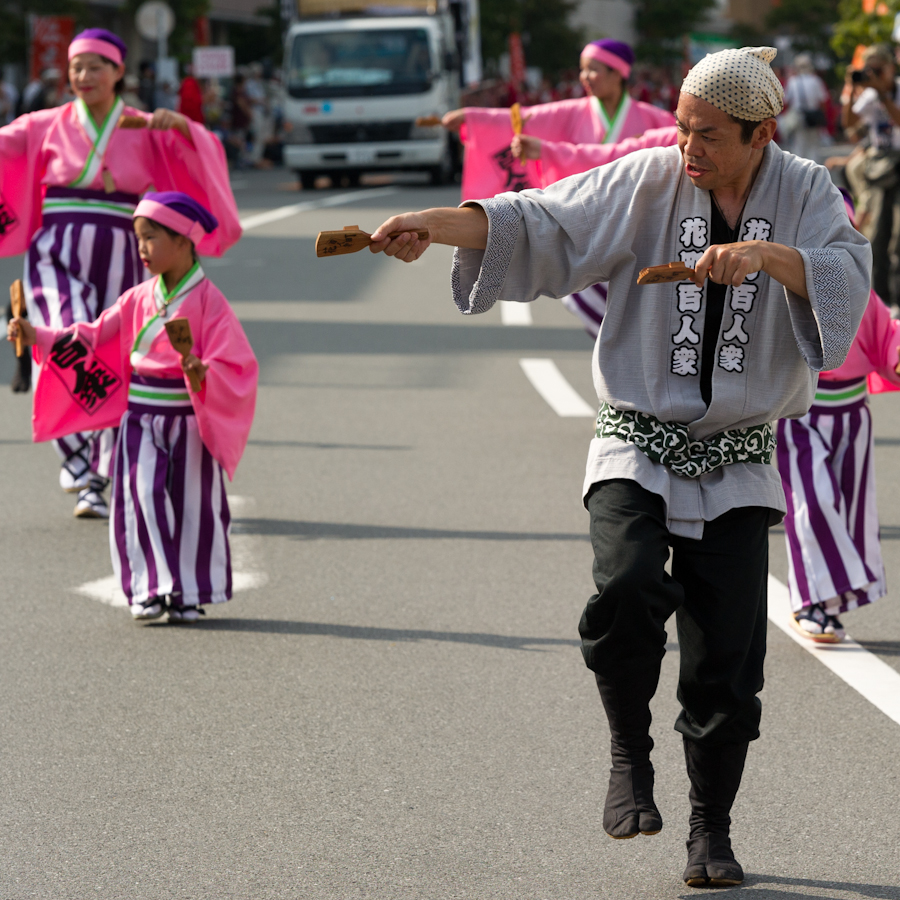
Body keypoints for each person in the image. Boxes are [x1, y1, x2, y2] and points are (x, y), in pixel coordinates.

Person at [364, 47, 870, 886]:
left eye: (708, 135)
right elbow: (541, 220)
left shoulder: (808, 191)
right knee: (628, 586)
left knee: (725, 667)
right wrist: (435, 222)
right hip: (637, 435)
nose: (688, 148)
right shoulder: (646, 179)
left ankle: (711, 829)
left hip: (739, 456)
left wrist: (767, 257)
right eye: (680, 129)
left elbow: (847, 274)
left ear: (760, 134)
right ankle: (628, 753)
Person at [0, 28, 241, 518]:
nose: (83, 76)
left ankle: (99, 471)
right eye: (76, 68)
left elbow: (203, 150)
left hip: (125, 248)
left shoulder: (142, 124)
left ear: (118, 72)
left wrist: (183, 129)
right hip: (57, 248)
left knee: (114, 352)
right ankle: (78, 461)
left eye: (94, 66)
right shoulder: (43, 123)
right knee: (64, 339)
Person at [7, 192, 257, 623]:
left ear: (183, 241)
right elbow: (90, 335)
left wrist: (204, 369)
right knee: (141, 498)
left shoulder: (209, 301)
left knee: (192, 505)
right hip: (141, 416)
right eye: (138, 238)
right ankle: (149, 588)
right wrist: (40, 337)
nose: (140, 248)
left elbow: (237, 363)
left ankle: (188, 593)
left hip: (188, 418)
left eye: (150, 238)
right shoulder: (138, 297)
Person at [444, 39, 674, 338]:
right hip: (590, 223)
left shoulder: (654, 119)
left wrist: (550, 151)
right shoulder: (573, 111)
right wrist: (474, 120)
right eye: (582, 70)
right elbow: (527, 119)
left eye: (593, 69)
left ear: (618, 73)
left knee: (636, 311)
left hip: (635, 225)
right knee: (602, 311)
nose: (585, 77)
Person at [778, 191, 900, 642]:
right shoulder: (785, 284)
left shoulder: (862, 291)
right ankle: (809, 602)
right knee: (811, 504)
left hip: (852, 415)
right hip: (799, 412)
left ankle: (826, 604)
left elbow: (887, 339)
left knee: (848, 509)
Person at [842, 44, 900, 309]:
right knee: (877, 235)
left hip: (897, 165)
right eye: (869, 70)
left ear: (891, 68)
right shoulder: (869, 96)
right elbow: (849, 124)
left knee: (898, 238)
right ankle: (882, 302)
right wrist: (850, 90)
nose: (873, 75)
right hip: (880, 169)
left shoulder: (894, 90)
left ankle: (897, 298)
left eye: (878, 69)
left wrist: (882, 94)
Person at [782, 55, 829, 162]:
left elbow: (787, 101)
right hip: (813, 116)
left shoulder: (793, 81)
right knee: (813, 146)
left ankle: (799, 171)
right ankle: (813, 171)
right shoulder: (816, 80)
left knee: (799, 146)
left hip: (799, 116)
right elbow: (822, 101)